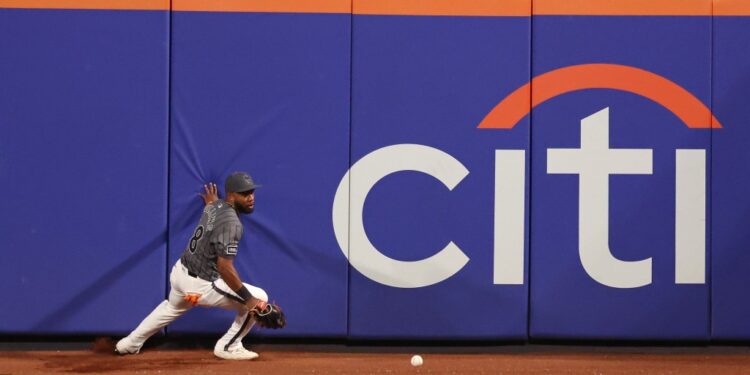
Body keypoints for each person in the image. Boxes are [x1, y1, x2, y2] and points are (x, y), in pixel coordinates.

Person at [116, 172, 269, 360]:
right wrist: (249, 300)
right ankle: (229, 346)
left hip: (180, 273)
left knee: (171, 308)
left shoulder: (215, 206)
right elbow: (224, 268)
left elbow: (212, 207)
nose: (251, 197)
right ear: (231, 195)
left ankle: (129, 344)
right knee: (259, 297)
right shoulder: (232, 223)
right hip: (200, 285)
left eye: (252, 192)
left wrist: (211, 202)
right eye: (244, 193)